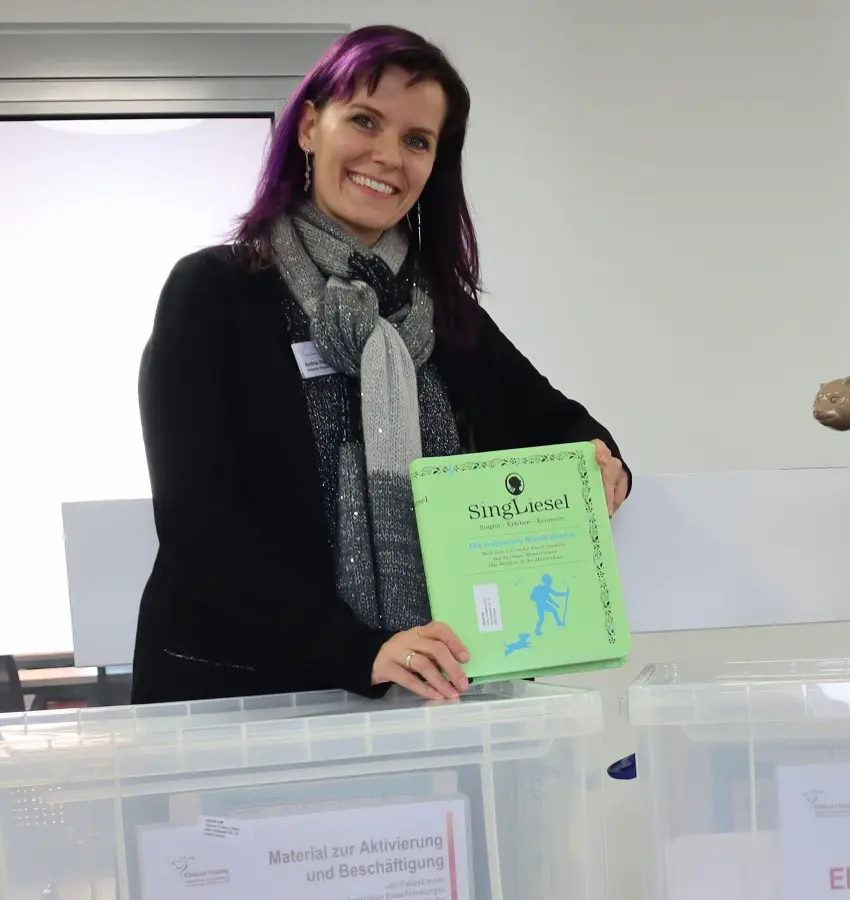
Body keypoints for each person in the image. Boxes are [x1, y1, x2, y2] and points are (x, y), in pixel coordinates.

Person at [131, 25, 631, 707]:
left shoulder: (439, 311)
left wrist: (602, 465)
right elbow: (200, 522)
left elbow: (558, 423)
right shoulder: (214, 292)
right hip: (246, 696)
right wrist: (360, 650)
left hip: (426, 694)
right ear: (310, 126)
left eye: (417, 140)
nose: (388, 156)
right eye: (365, 120)